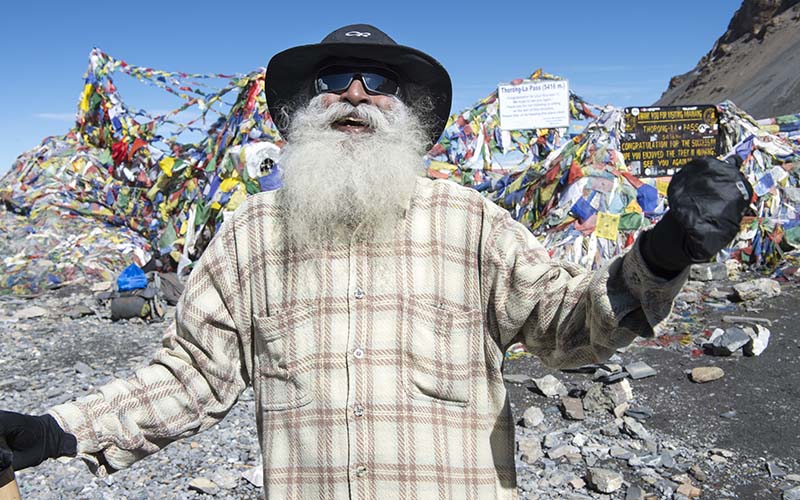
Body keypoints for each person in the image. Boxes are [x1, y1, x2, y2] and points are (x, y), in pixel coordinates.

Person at [0, 24, 751, 499]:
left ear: (408, 113)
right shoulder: (250, 235)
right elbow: (192, 377)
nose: (354, 94)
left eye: (380, 83)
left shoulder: (469, 224)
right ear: (302, 109)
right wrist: (60, 430)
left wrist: (664, 251)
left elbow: (567, 325)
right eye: (333, 81)